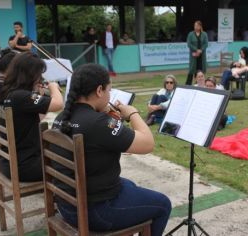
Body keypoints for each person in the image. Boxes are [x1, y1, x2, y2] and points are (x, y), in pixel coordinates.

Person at [52, 63, 171, 235]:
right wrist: (132, 113)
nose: (109, 96)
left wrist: (106, 116)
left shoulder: (61, 117)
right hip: (95, 212)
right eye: (109, 90)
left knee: (129, 185)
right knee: (163, 204)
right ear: (99, 90)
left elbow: (97, 139)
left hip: (68, 206)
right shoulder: (99, 122)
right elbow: (147, 144)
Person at [0, 52, 63, 182]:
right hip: (26, 166)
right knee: (71, 161)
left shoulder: (8, 91)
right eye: (38, 74)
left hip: (9, 162)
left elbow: (36, 119)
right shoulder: (22, 96)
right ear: (30, 75)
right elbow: (58, 104)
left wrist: (39, 96)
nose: (40, 78)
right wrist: (54, 87)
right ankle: (63, 197)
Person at [186, 20, 208, 85]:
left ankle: (199, 84)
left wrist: (201, 50)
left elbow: (206, 44)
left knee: (200, 70)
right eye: (195, 25)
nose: (195, 27)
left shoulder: (204, 34)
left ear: (200, 26)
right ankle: (188, 85)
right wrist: (196, 50)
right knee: (192, 70)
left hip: (202, 56)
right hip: (194, 55)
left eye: (197, 25)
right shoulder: (191, 34)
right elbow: (189, 44)